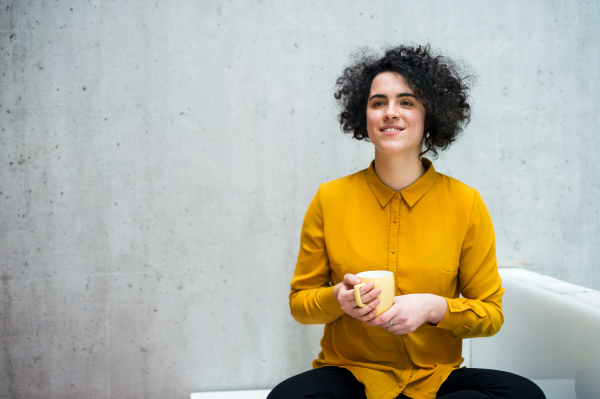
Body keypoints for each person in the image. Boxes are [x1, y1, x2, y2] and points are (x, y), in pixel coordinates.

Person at [268, 45, 545, 399]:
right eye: (378, 102)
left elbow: (490, 314)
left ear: (430, 115)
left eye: (407, 102)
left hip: (435, 380)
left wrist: (436, 308)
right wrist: (338, 299)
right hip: (352, 377)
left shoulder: (466, 202)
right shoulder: (330, 198)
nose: (390, 113)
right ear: (364, 115)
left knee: (522, 394)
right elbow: (300, 304)